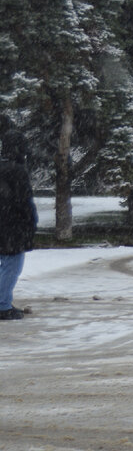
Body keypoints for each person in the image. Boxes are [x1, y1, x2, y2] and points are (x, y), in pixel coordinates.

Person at [0, 131, 37, 321]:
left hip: (4, 222)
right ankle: (2, 305)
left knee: (5, 264)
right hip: (12, 226)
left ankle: (4, 300)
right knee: (12, 265)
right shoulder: (18, 171)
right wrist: (31, 222)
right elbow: (25, 202)